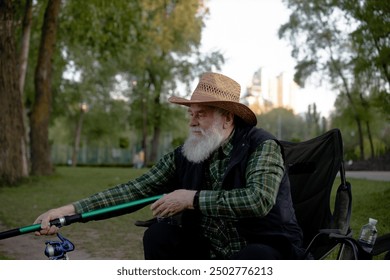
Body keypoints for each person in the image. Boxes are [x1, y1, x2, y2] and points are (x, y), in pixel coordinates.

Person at [34, 72, 305, 260]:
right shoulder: (187, 154)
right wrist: (67, 211)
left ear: (228, 118)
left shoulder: (262, 146)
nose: (192, 122)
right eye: (191, 114)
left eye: (201, 114)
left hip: (265, 249)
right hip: (209, 251)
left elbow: (258, 200)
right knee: (159, 235)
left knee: (253, 258)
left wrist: (192, 199)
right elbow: (134, 190)